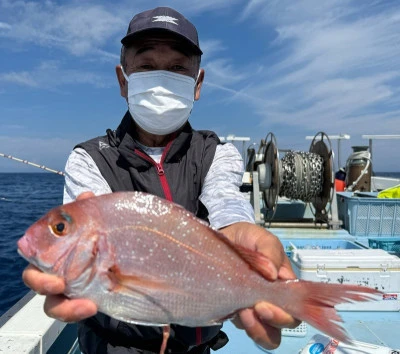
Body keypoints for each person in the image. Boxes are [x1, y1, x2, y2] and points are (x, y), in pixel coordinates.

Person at [22, 6, 299, 354]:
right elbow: (98, 242)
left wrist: (240, 238)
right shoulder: (89, 159)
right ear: (124, 81)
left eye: (178, 68)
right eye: (147, 66)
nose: (161, 78)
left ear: (197, 85)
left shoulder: (216, 153)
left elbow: (227, 204)